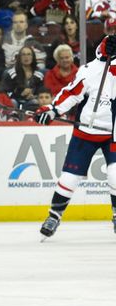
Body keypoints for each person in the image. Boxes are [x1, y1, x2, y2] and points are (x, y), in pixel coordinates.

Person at [35, 34, 116, 238]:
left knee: (115, 175)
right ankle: (54, 216)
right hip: (86, 132)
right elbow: (71, 93)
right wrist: (52, 110)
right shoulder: (90, 70)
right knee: (69, 178)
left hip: (113, 133)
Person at [2, 46, 44, 110]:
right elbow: (5, 93)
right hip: (15, 100)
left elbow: (41, 92)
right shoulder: (10, 74)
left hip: (31, 102)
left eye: (29, 54)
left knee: (35, 102)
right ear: (19, 57)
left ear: (33, 57)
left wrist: (34, 96)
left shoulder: (39, 74)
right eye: (23, 54)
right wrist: (19, 94)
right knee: (12, 102)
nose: (26, 57)